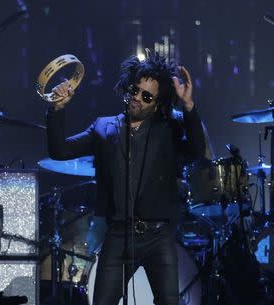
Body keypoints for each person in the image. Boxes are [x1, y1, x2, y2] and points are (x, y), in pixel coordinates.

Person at [46, 52, 208, 305]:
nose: (137, 97)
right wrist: (57, 108)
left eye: (147, 96)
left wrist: (188, 106)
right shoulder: (103, 128)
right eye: (135, 90)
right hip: (119, 236)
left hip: (159, 236)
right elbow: (59, 151)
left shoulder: (168, 129)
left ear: (157, 103)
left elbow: (198, 152)